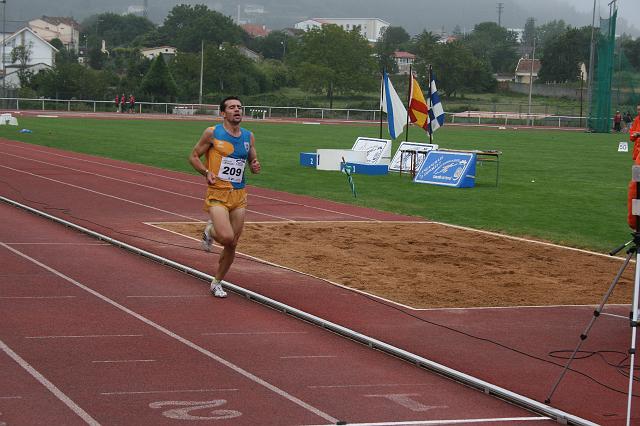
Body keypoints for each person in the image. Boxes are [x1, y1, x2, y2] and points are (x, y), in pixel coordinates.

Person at [188, 96, 261, 298]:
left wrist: (255, 165)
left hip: (239, 195)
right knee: (226, 236)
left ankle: (217, 281)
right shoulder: (213, 133)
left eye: (239, 107)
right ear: (223, 113)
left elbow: (253, 161)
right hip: (218, 194)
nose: (237, 110)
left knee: (232, 243)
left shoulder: (248, 136)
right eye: (232, 107)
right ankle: (210, 230)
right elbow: (193, 156)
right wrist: (205, 172)